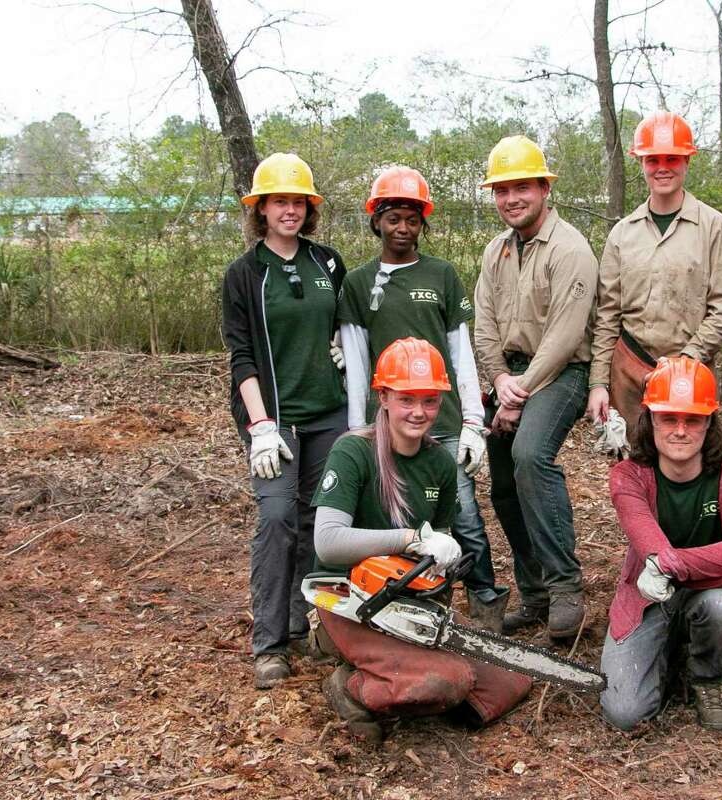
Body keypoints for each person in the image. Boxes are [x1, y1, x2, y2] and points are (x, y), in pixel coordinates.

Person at [311, 338, 532, 744]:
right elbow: (328, 542)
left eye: (429, 401)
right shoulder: (353, 451)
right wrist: (411, 539)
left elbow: (440, 542)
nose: (419, 412)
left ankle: (413, 685)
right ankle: (350, 687)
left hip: (409, 603)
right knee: (449, 680)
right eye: (407, 399)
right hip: (348, 602)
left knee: (511, 679)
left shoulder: (439, 464)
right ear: (385, 397)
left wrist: (444, 557)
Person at [337, 166, 508, 632]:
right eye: (393, 218)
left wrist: (474, 419)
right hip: (388, 420)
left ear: (422, 223)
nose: (403, 228)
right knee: (392, 512)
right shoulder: (357, 284)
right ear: (377, 221)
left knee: (464, 514)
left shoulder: (442, 274)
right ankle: (402, 597)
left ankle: (485, 599)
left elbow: (460, 351)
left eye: (412, 219)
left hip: (443, 417)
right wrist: (358, 425)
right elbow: (355, 358)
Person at [599, 356, 722, 731]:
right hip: (648, 598)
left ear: (709, 422)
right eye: (668, 418)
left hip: (709, 596)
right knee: (625, 713)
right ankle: (669, 652)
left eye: (692, 419)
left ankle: (710, 676)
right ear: (651, 419)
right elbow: (657, 558)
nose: (680, 430)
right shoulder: (628, 478)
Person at [221, 152, 348, 689]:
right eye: (279, 202)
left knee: (322, 523)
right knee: (276, 519)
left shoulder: (328, 263)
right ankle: (270, 642)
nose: (289, 210)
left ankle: (314, 624)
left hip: (329, 413)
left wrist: (343, 346)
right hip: (275, 418)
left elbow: (344, 323)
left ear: (308, 208)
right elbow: (241, 354)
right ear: (262, 209)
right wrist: (261, 427)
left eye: (298, 201)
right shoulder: (244, 274)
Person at [473, 135, 599, 641]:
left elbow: (566, 337)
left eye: (521, 187)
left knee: (530, 455)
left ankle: (566, 586)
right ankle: (536, 593)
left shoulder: (570, 249)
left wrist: (518, 393)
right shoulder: (496, 251)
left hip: (562, 372)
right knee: (502, 481)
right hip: (511, 377)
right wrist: (500, 380)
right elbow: (483, 323)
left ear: (544, 188)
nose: (511, 199)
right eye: (502, 190)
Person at [587, 111, 722, 449]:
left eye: (672, 158)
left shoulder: (715, 228)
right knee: (635, 470)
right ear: (641, 162)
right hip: (629, 371)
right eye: (653, 159)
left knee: (693, 469)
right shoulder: (622, 234)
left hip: (692, 374)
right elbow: (607, 314)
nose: (662, 167)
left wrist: (685, 363)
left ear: (687, 160)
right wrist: (598, 383)